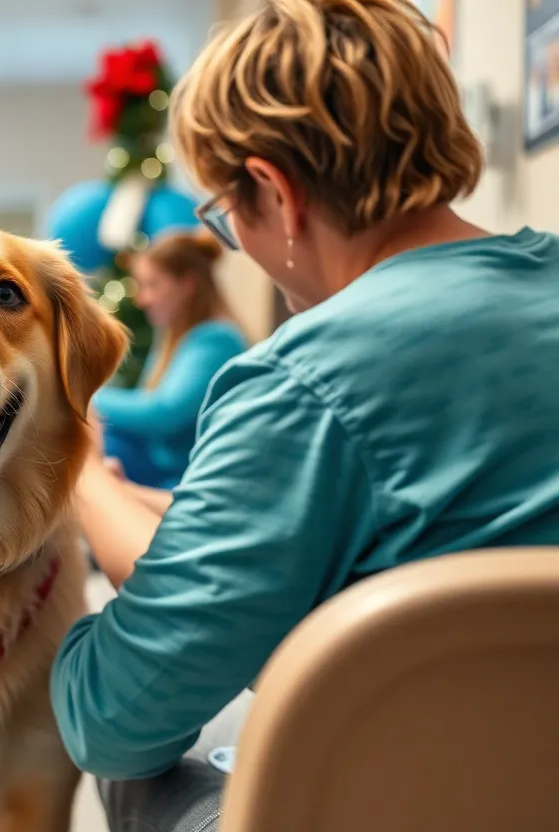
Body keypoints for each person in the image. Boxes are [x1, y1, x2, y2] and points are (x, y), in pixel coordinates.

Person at [50, 1, 559, 830]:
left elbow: (115, 716)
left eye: (224, 212)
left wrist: (74, 476)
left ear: (275, 193)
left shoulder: (300, 382)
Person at [95, 231, 247, 489]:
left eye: (153, 285)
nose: (142, 299)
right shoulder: (174, 338)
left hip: (182, 479)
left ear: (187, 285)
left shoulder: (216, 340)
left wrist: (88, 398)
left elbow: (164, 412)